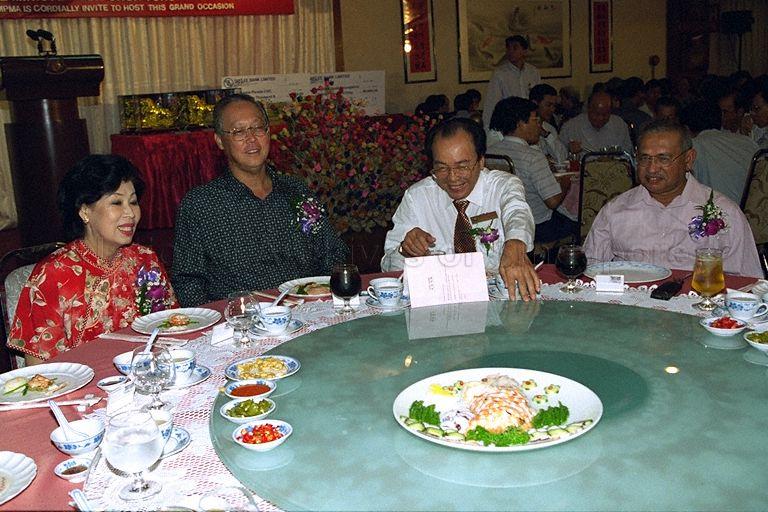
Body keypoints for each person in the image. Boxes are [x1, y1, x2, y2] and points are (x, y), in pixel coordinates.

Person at [172, 94, 349, 306]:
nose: (251, 139)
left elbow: (332, 253)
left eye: (257, 128)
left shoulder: (296, 191)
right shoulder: (200, 204)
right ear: (220, 141)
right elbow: (188, 281)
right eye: (238, 131)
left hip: (308, 312)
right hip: (241, 325)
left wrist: (322, 297)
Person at [8, 155, 178, 365]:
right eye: (116, 202)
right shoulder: (54, 275)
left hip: (147, 376)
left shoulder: (144, 259)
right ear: (85, 211)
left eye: (133, 202)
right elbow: (39, 369)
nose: (130, 213)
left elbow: (172, 327)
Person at [381, 118, 539, 300]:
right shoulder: (417, 197)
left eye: (462, 166)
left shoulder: (502, 186)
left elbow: (517, 211)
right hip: (440, 305)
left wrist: (515, 244)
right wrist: (405, 250)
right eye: (441, 168)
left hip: (499, 302)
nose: (453, 178)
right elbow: (388, 269)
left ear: (481, 161)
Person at [584, 120, 762, 277]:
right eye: (645, 158)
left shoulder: (723, 212)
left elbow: (747, 280)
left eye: (663, 159)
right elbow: (589, 270)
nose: (652, 169)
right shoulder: (616, 211)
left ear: (688, 159)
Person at [488, 97, 576, 243]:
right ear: (521, 124)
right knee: (579, 223)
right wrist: (565, 183)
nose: (540, 127)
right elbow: (553, 202)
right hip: (538, 225)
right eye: (535, 120)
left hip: (504, 223)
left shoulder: (490, 152)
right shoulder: (533, 156)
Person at [682, 100, 757, 205]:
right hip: (757, 211)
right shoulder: (747, 142)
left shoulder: (693, 147)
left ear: (686, 129)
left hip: (720, 214)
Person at [482, 35, 541, 130]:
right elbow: (491, 102)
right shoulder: (500, 73)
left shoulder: (533, 72)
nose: (510, 51)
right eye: (508, 48)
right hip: (510, 122)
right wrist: (488, 129)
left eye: (515, 48)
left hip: (530, 121)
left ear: (524, 51)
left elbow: (538, 98)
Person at [559, 90, 633, 157]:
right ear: (588, 109)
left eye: (605, 114)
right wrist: (568, 150)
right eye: (596, 114)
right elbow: (558, 155)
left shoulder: (619, 125)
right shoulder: (571, 127)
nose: (600, 118)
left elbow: (628, 154)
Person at [529, 83, 568, 164]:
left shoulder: (549, 129)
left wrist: (546, 135)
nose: (552, 109)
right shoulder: (522, 129)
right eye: (548, 105)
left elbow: (563, 158)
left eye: (554, 106)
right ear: (535, 103)